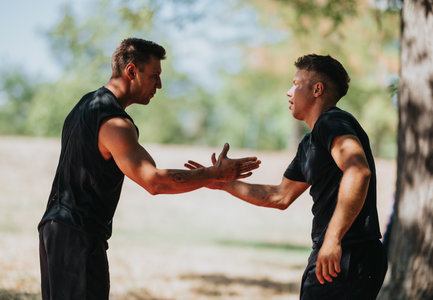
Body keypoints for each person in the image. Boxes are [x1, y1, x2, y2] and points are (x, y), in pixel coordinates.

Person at [38, 37, 261, 300]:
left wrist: (203, 178)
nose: (160, 85)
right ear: (131, 71)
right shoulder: (114, 123)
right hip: (77, 236)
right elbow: (154, 181)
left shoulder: (86, 106)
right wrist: (213, 174)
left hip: (54, 230)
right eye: (155, 76)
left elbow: (147, 170)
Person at [185, 54, 388, 299]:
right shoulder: (310, 142)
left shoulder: (332, 121)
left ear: (317, 89)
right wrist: (222, 183)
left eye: (295, 84)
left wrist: (333, 239)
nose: (288, 92)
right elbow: (279, 196)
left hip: (348, 253)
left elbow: (358, 171)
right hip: (335, 253)